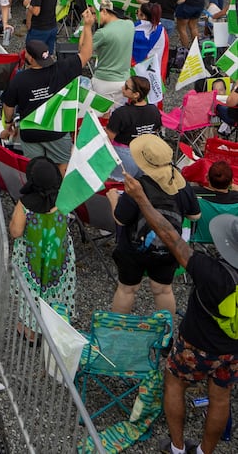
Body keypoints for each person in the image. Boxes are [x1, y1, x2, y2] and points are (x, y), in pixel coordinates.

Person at [117, 173, 238, 454]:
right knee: (221, 398)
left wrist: (141, 199)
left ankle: (177, 446)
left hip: (196, 342)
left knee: (175, 384)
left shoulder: (212, 271)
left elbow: (170, 236)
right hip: (232, 349)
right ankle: (205, 452)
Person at [107, 135, 200, 320]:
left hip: (133, 249)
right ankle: (166, 335)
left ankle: (116, 333)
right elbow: (194, 215)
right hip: (169, 247)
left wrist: (113, 199)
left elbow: (120, 219)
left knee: (127, 289)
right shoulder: (180, 183)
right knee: (163, 290)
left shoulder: (137, 186)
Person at [0, 27, 94, 166]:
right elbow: (87, 53)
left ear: (30, 58)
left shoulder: (19, 79)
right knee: (63, 165)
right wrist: (88, 26)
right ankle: (60, 187)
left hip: (31, 131)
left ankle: (38, 187)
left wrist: (8, 125)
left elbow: (8, 106)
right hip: (57, 130)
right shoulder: (62, 69)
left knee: (35, 168)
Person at [9, 157, 76, 342]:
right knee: (56, 290)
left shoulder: (26, 204)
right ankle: (56, 321)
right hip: (58, 254)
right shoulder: (65, 195)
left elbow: (16, 231)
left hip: (32, 257)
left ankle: (31, 333)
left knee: (31, 292)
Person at [105, 76, 162, 179]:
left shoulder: (121, 113)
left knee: (117, 188)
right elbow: (155, 130)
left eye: (126, 87)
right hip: (144, 156)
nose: (122, 87)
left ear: (136, 94)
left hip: (123, 156)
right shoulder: (154, 110)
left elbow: (108, 138)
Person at [88, 0, 136, 105]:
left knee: (99, 117)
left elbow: (83, 50)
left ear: (104, 11)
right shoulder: (129, 24)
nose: (93, 17)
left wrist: (86, 26)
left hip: (104, 81)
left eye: (93, 13)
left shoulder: (102, 33)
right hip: (124, 80)